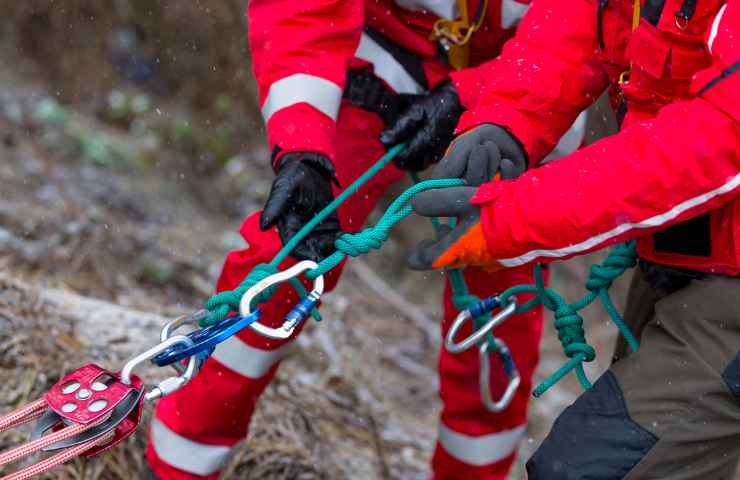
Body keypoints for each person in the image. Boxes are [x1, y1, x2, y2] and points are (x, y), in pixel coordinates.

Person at [143, 1, 593, 478]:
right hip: (380, 52)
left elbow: (586, 31)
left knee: (499, 316)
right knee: (284, 267)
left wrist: (476, 93)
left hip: (530, 84)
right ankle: (177, 464)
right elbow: (301, 13)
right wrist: (301, 149)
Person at [407, 0, 740, 477]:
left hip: (724, 282)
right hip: (693, 249)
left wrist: (511, 221)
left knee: (586, 467)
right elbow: (580, 19)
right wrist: (508, 121)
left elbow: (713, 141)